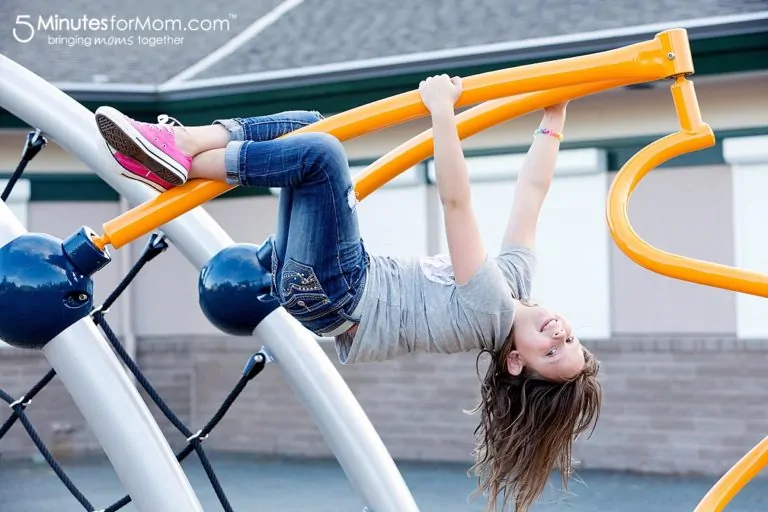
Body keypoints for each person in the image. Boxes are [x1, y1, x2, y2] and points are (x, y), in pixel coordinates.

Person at [93, 74, 601, 512]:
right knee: (311, 125)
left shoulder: (489, 309)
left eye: (550, 352)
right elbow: (531, 194)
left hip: (337, 289)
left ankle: (176, 158)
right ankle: (180, 144)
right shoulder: (515, 285)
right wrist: (554, 115)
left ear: (515, 362)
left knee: (321, 153)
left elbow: (455, 202)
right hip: (324, 288)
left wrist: (442, 113)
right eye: (569, 340)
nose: (558, 334)